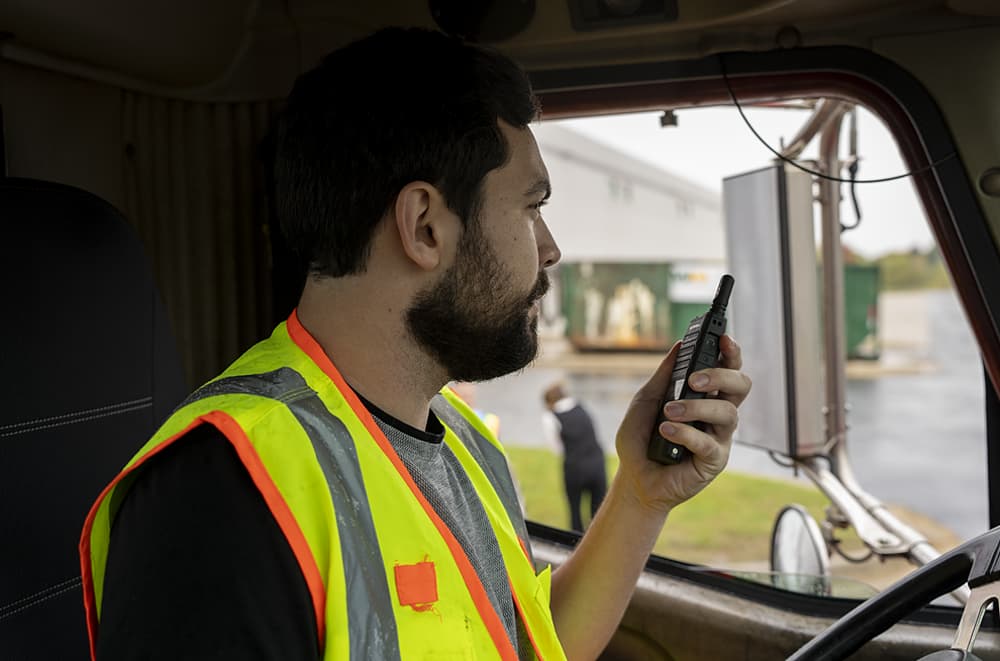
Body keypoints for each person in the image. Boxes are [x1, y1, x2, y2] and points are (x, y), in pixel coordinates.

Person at [80, 27, 751, 661]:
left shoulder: (463, 442)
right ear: (425, 226)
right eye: (530, 207)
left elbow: (530, 646)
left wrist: (641, 492)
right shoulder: (220, 496)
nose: (549, 249)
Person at [542, 382, 607, 532]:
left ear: (548, 401)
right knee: (599, 513)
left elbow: (556, 448)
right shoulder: (581, 406)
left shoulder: (550, 417)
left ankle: (575, 545)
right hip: (597, 464)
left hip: (574, 468)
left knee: (575, 513)